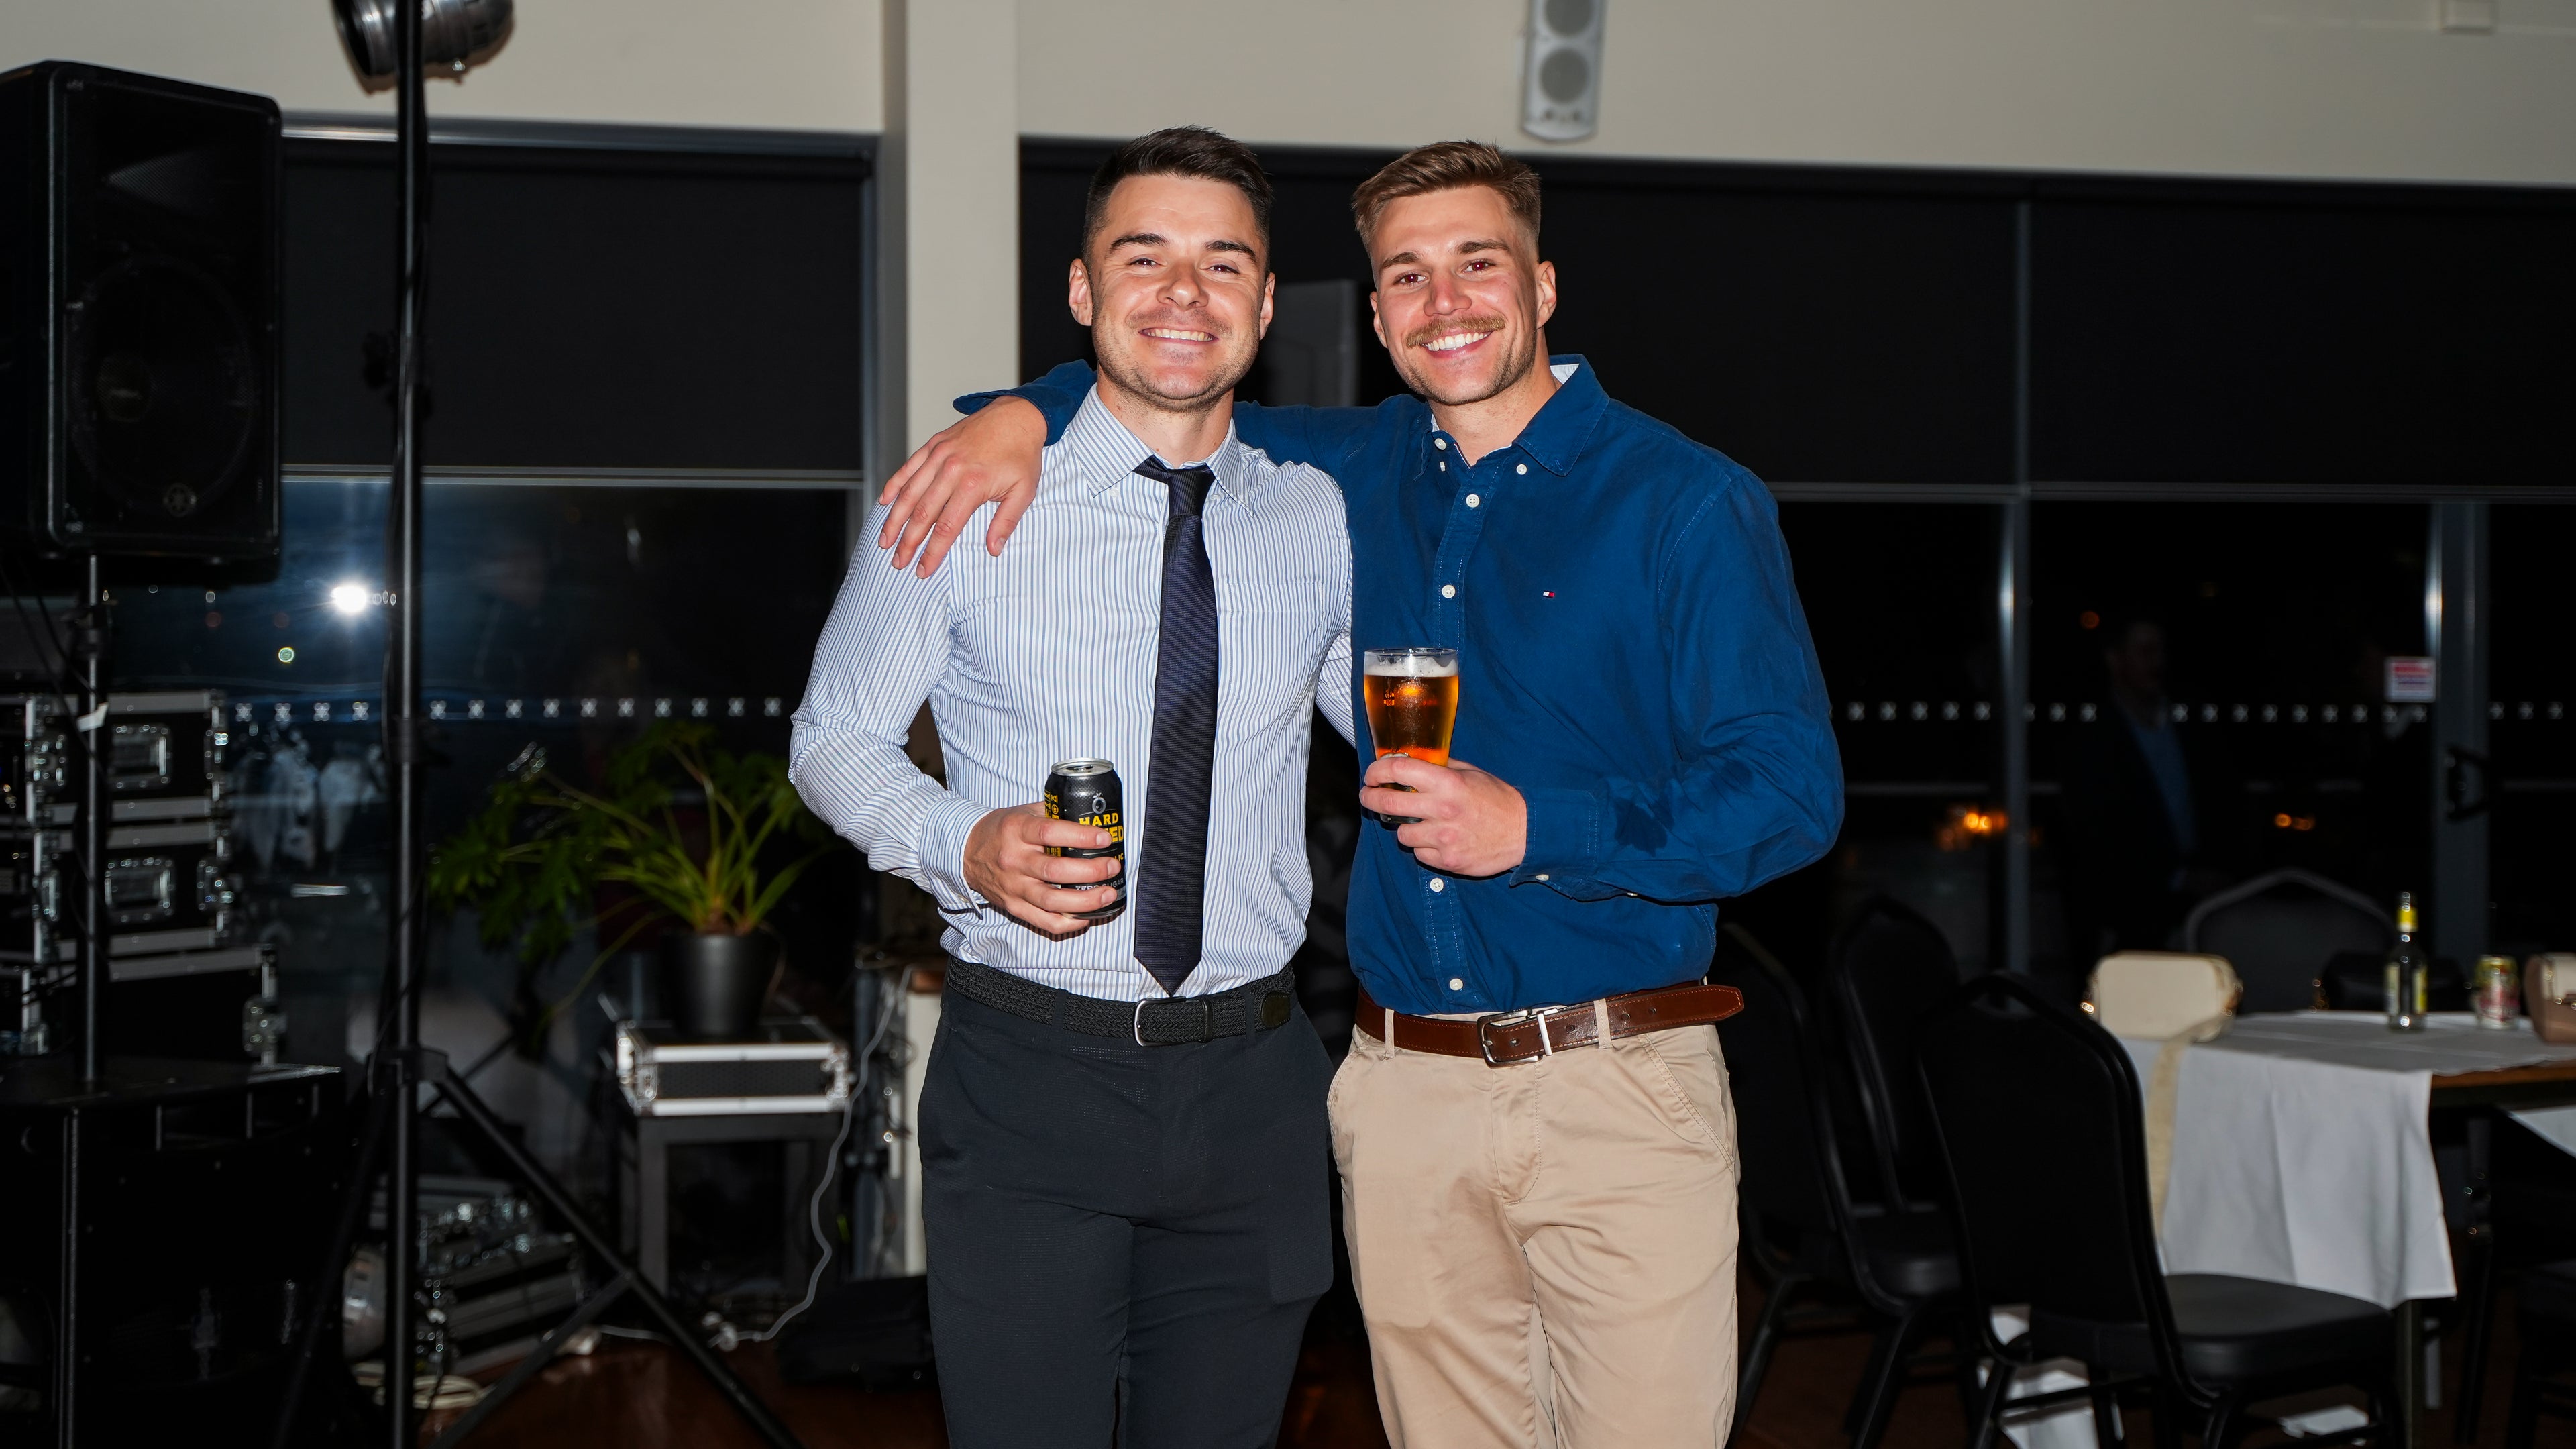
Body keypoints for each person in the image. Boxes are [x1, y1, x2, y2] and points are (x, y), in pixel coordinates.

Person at [876, 140, 1843, 1449]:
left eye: (1477, 263)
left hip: (1614, 1085)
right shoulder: (1347, 469)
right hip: (1403, 1100)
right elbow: (1159, 381)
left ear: (1545, 286)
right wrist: (1017, 411)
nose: (1446, 302)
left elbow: (1790, 794)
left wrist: (1538, 830)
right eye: (1409, 275)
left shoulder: (1686, 502)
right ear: (1378, 315)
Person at [788, 127, 1352, 1449]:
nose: (1183, 293)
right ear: (1082, 290)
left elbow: (1404, 739)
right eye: (1141, 256)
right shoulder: (958, 493)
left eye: (1225, 263)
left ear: (1267, 306)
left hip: (1258, 1083)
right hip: (1033, 1077)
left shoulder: (1322, 519)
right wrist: (958, 840)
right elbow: (832, 738)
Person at [2062, 612, 2240, 961]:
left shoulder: (2193, 724)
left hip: (2205, 898)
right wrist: (2175, 878)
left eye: (2161, 651)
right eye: (2145, 651)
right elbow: (2097, 832)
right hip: (2130, 908)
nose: (2157, 663)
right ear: (2115, 660)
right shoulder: (2092, 737)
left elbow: (2224, 800)